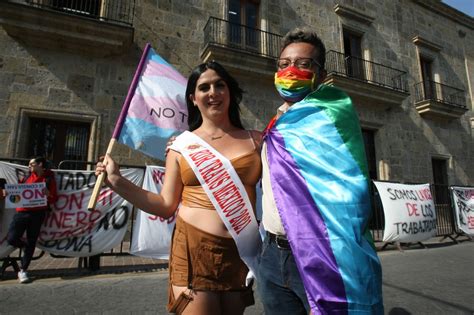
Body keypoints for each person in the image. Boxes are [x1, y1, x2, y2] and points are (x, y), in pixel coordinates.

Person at [96, 61, 262, 315]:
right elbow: (164, 206)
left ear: (230, 91)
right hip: (192, 249)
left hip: (239, 251)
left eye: (220, 85)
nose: (213, 92)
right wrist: (117, 181)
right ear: (193, 99)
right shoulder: (181, 146)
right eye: (204, 87)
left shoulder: (257, 140)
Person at [258, 27, 384, 314]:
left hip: (321, 253)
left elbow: (347, 188)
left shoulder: (332, 120)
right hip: (272, 257)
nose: (291, 70)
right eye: (284, 64)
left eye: (303, 64)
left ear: (321, 73)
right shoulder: (275, 125)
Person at [7, 157, 58, 283]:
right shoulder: (25, 177)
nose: (29, 166)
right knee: (12, 238)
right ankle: (25, 247)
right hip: (22, 213)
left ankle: (23, 270)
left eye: (32, 164)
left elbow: (54, 198)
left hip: (38, 214)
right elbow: (17, 194)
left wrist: (48, 194)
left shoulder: (49, 179)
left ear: (40, 164)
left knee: (32, 240)